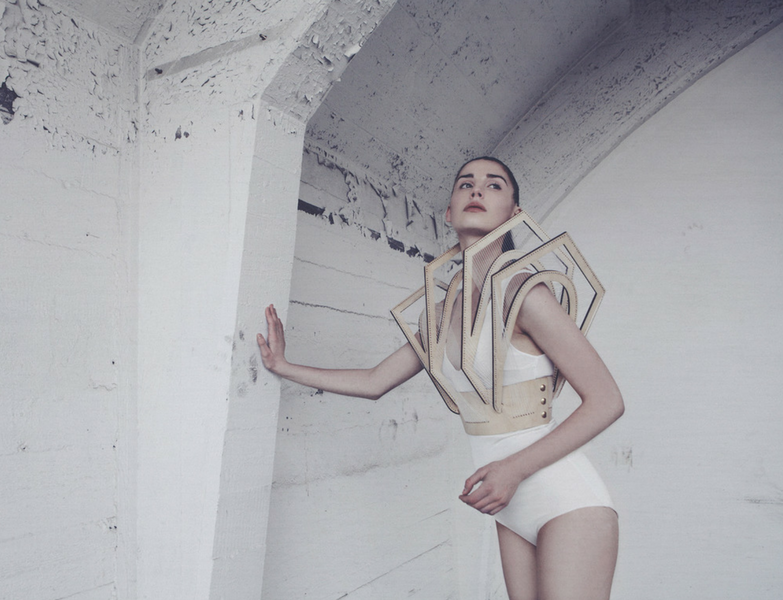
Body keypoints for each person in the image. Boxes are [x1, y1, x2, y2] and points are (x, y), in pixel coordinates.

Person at [257, 156, 624, 600]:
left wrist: (512, 470)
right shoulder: (441, 311)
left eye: (494, 185)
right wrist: (285, 366)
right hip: (510, 505)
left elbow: (607, 401)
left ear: (514, 213)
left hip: (565, 498)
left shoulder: (525, 293)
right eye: (466, 183)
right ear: (449, 212)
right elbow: (375, 382)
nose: (477, 190)